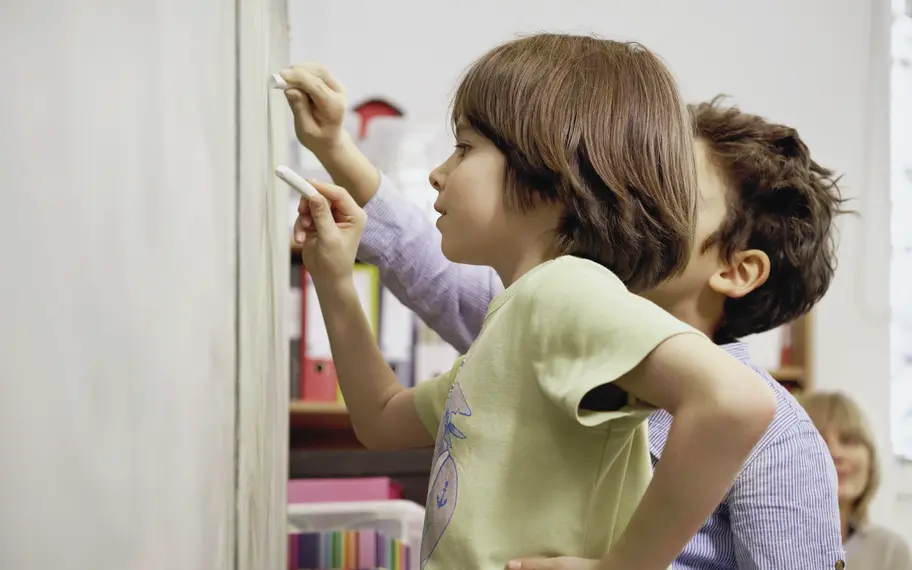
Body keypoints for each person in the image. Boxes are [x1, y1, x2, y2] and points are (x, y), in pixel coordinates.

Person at [281, 60, 848, 569]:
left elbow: (734, 408)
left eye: (670, 187)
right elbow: (427, 271)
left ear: (736, 269)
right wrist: (337, 154)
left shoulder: (780, 440)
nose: (634, 191)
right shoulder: (532, 311)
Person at [802, 391, 912, 569]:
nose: (835, 453)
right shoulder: (761, 546)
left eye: (848, 441)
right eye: (818, 441)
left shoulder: (892, 552)